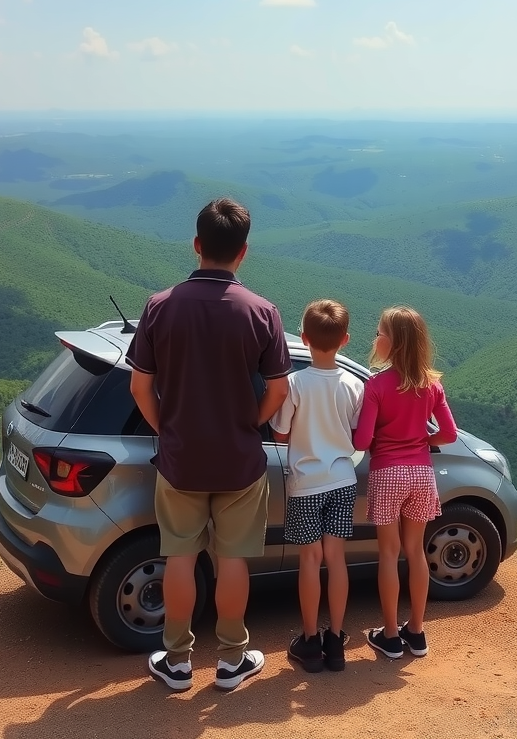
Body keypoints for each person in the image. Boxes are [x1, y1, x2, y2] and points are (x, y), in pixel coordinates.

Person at [127, 198, 292, 692]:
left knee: (179, 556)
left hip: (180, 459)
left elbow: (140, 387)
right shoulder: (263, 312)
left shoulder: (160, 306)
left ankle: (176, 661)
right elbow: (280, 389)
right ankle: (231, 660)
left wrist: (166, 428)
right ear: (243, 252)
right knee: (233, 559)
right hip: (240, 460)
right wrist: (250, 423)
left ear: (197, 246)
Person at [352, 306, 457, 660]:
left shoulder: (376, 386)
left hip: (387, 474)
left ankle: (391, 636)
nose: (375, 338)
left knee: (388, 553)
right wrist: (422, 441)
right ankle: (417, 631)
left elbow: (362, 441)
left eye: (380, 333)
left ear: (393, 344)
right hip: (422, 475)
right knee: (416, 552)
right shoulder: (432, 385)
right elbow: (449, 433)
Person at [270, 299, 364, 673]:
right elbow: (358, 438)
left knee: (310, 561)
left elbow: (279, 434)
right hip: (343, 480)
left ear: (304, 338)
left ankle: (309, 642)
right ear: (345, 340)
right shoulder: (354, 385)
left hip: (306, 483)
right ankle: (336, 640)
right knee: (336, 560)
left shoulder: (295, 383)